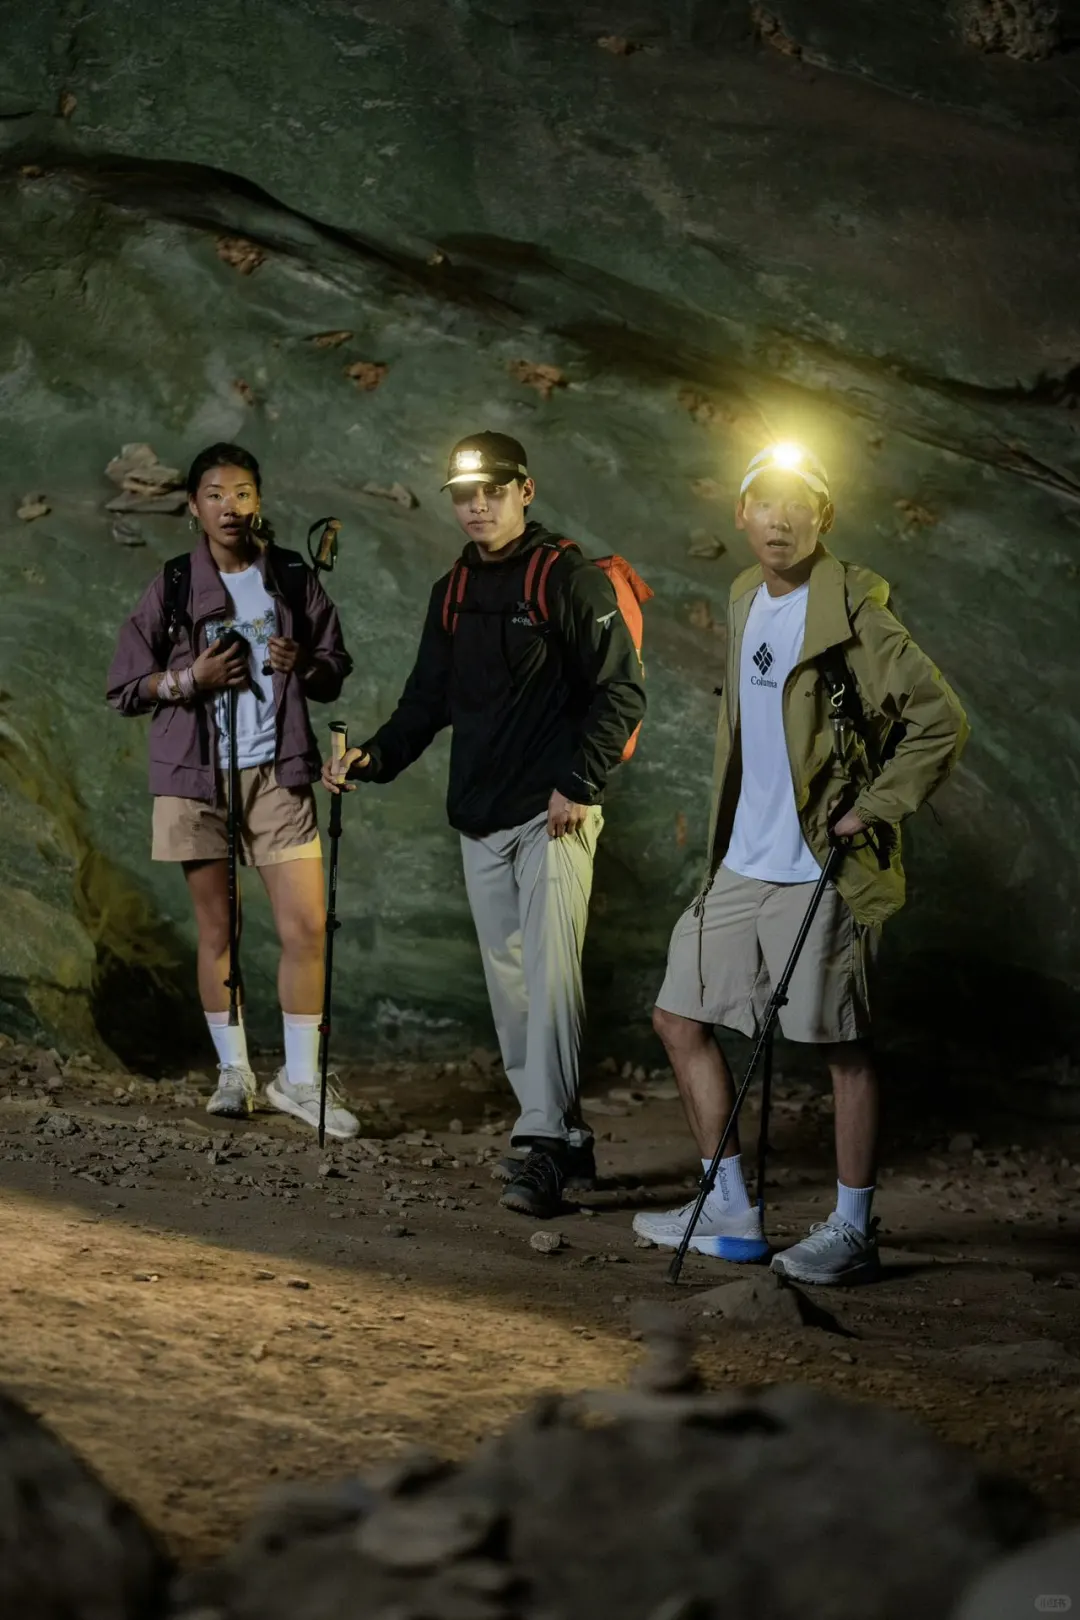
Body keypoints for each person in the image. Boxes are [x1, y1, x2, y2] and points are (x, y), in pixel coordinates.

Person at [634, 442, 969, 1284]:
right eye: (764, 502)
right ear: (741, 513)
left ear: (824, 516)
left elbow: (939, 719)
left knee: (841, 1045)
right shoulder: (745, 595)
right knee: (679, 1016)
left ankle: (852, 1230)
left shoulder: (854, 609)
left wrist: (871, 808)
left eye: (797, 504)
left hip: (819, 866)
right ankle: (729, 1210)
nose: (778, 520)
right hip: (743, 862)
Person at [323, 431, 647, 1217]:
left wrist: (577, 782)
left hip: (554, 814)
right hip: (479, 817)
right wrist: (373, 756)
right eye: (464, 495)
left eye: (492, 492)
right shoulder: (454, 591)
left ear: (524, 491)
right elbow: (427, 701)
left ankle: (539, 1146)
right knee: (513, 991)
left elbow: (622, 692)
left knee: (551, 976)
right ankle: (564, 1136)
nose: (476, 506)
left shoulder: (566, 578)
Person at [107, 442, 359, 1137]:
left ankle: (300, 1079)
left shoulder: (291, 577)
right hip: (196, 776)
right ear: (194, 506)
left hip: (279, 769)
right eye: (215, 494)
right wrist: (192, 680)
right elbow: (125, 687)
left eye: (242, 492)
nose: (230, 506)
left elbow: (335, 667)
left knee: (306, 927)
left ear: (258, 502)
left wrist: (304, 663)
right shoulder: (173, 585)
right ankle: (235, 1072)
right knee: (221, 929)